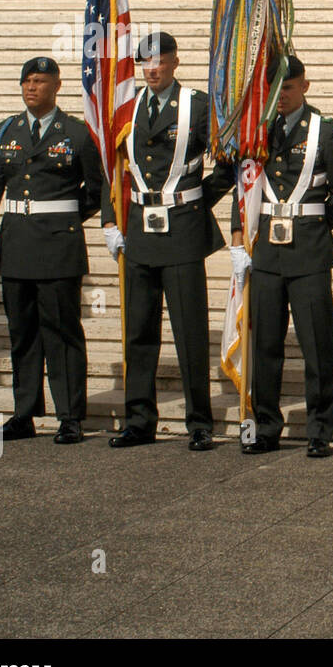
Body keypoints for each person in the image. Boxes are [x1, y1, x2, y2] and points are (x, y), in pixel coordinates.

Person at [0, 56, 103, 444]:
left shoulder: (76, 133)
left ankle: (70, 416)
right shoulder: (6, 131)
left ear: (57, 85)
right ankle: (24, 413)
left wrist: (65, 220)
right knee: (22, 334)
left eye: (39, 81)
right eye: (26, 81)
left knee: (62, 333)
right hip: (17, 245)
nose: (31, 87)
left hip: (58, 246)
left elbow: (96, 189)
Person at [102, 33, 234, 452]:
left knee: (189, 330)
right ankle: (139, 419)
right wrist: (111, 219)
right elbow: (114, 166)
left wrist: (197, 200)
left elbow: (228, 162)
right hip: (140, 226)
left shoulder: (197, 103)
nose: (152, 68)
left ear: (176, 61)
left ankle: (199, 422)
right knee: (139, 330)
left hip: (181, 228)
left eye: (159, 60)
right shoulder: (127, 106)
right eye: (145, 62)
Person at [231, 55, 333, 458]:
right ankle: (266, 426)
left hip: (308, 253)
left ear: (305, 85)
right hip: (267, 252)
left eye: (287, 87)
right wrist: (239, 240)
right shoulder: (257, 130)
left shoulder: (327, 131)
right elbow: (244, 187)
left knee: (316, 344)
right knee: (265, 345)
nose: (280, 96)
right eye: (273, 88)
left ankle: (319, 429)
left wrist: (314, 227)